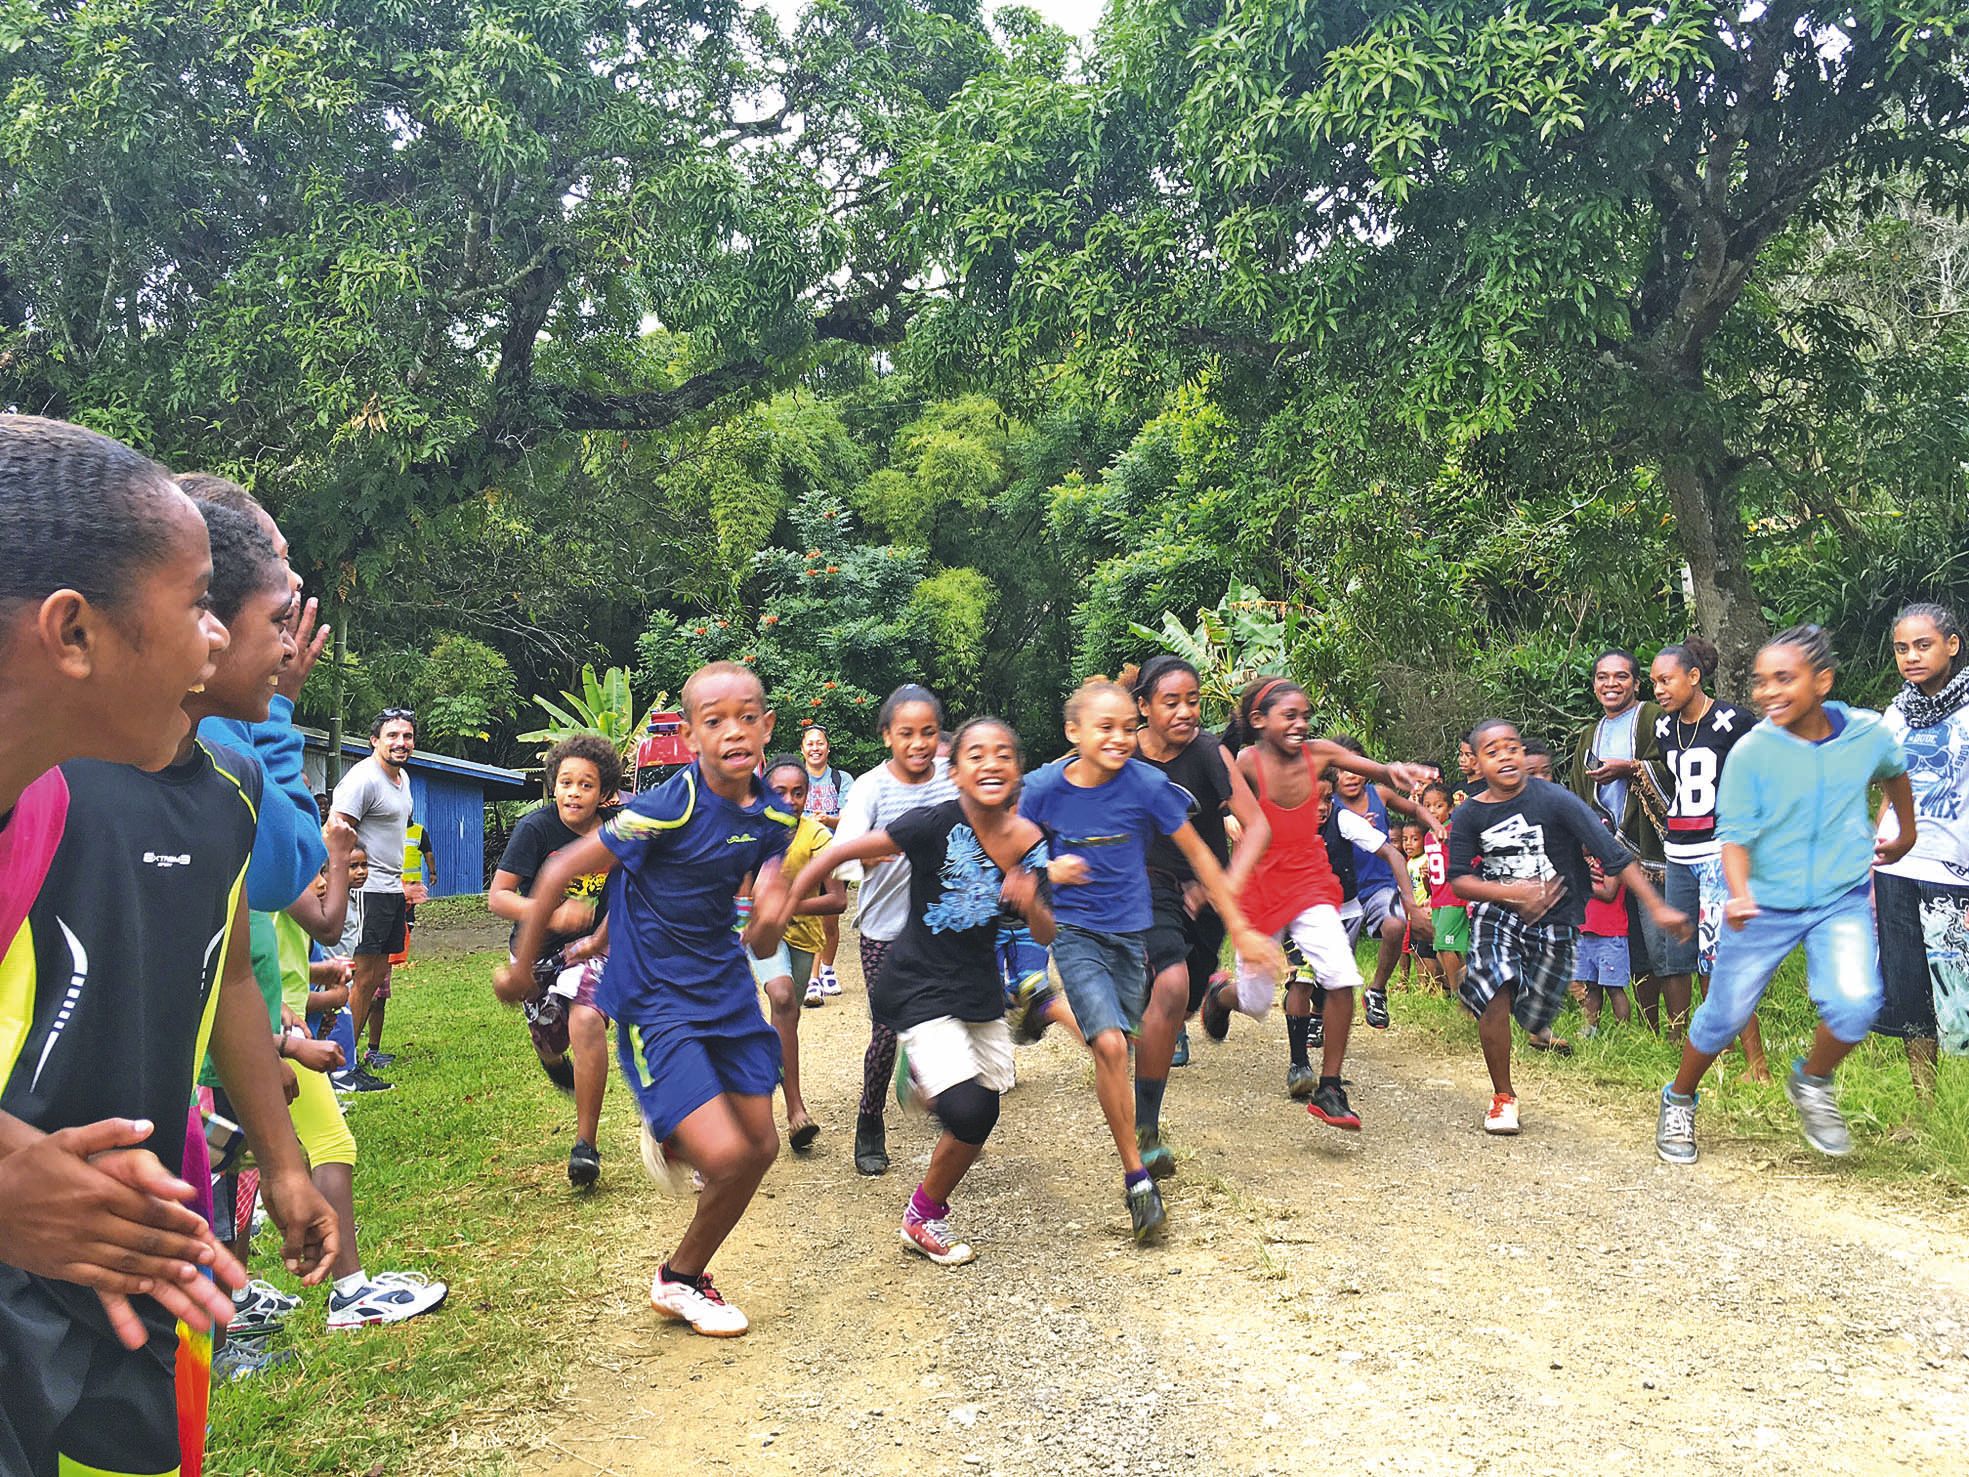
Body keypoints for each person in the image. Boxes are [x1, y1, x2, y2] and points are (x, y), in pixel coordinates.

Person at [1, 499, 338, 1475]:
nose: (288, 649)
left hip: (151, 1216)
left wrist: (279, 1161)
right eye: (274, 619)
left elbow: (229, 966)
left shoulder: (232, 783)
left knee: (149, 1458)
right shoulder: (44, 774)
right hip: (24, 1219)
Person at [0, 416, 244, 1352]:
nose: (213, 642)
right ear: (73, 631)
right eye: (197, 604)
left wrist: (51, 1189)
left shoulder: (34, 812)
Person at [497, 662, 797, 1337]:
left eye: (747, 716)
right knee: (724, 1155)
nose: (733, 731)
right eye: (714, 720)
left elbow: (772, 860)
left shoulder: (773, 807)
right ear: (690, 736)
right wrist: (523, 967)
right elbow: (563, 868)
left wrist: (773, 900)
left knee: (760, 1147)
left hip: (723, 989)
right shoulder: (670, 804)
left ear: (766, 725)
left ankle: (681, 1277)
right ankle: (675, 1129)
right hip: (653, 996)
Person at [777, 718, 1052, 1266]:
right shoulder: (932, 823)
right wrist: (781, 911)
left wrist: (1029, 900)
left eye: (1004, 754)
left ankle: (923, 1212)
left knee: (985, 1111)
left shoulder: (1028, 841)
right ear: (956, 773)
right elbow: (835, 854)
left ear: (1018, 771)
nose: (991, 763)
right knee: (968, 1111)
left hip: (977, 993)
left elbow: (1045, 932)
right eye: (976, 754)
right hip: (917, 984)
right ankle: (929, 1094)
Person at [1022, 679, 1283, 1241]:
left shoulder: (1146, 784)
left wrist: (1240, 926)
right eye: (1104, 728)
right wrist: (1042, 868)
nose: (1118, 739)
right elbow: (1001, 832)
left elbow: (1200, 854)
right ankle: (1137, 1177)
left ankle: (1042, 1010)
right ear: (1075, 733)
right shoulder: (1044, 786)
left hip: (1129, 936)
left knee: (1127, 1038)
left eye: (1124, 729)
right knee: (1112, 1045)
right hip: (1075, 934)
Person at [1656, 626, 1916, 1163]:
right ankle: (1679, 1098)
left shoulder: (1866, 732)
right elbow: (1734, 835)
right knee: (1723, 1015)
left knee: (1855, 1006)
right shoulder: (1752, 751)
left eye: (1783, 679)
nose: (1768, 692)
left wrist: (1905, 832)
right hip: (1764, 904)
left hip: (1839, 898)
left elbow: (1894, 772)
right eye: (1760, 682)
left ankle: (1812, 1081)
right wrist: (1741, 893)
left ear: (1822, 681)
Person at [1197, 680, 1432, 1132]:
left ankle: (1330, 1086)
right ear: (1259, 721)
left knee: (1342, 974)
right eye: (1290, 716)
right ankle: (1220, 995)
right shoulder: (1246, 762)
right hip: (1262, 888)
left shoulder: (1320, 754)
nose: (1301, 724)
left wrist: (1395, 771)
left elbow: (1373, 769)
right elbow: (1215, 805)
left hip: (1308, 880)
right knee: (1256, 999)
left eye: (1305, 715)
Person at [1451, 718, 1688, 1135]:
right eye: (1492, 751)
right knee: (1495, 990)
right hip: (1499, 913)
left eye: (1512, 747)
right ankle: (1503, 1097)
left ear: (1523, 755)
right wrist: (1511, 893)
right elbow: (1459, 880)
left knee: (1534, 1010)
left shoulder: (1555, 799)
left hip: (1557, 918)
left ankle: (1527, 1014)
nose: (1505, 756)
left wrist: (1657, 907)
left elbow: (1612, 854)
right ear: (1476, 763)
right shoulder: (1470, 813)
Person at [1128, 656, 1270, 1139]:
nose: (1186, 712)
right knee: (1167, 988)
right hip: (1146, 887)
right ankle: (1145, 1128)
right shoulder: (1121, 752)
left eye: (1193, 701)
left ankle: (1208, 996)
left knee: (1179, 1000)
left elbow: (1257, 827)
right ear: (1144, 706)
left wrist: (1223, 888)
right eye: (1171, 702)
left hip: (1205, 891)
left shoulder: (1209, 752)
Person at [833, 685, 957, 1175]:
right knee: (886, 1031)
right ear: (887, 736)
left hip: (944, 926)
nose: (919, 743)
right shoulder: (870, 788)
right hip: (884, 929)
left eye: (928, 732)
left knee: (950, 1020)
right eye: (906, 733)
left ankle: (946, 1103)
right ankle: (869, 1118)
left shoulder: (953, 778)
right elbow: (844, 851)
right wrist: (877, 850)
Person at [489, 735, 623, 1186]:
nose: (574, 792)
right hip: (535, 954)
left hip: (594, 949)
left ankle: (586, 1146)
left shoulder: (619, 829)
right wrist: (552, 912)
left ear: (604, 792)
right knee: (551, 1041)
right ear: (553, 785)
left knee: (585, 1020)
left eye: (586, 785)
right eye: (565, 782)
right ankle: (552, 1064)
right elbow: (499, 897)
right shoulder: (536, 829)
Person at [1649, 637, 1766, 1075]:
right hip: (1678, 850)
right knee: (1691, 954)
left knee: (1722, 956)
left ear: (1694, 677)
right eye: (1654, 682)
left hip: (1719, 851)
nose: (1658, 690)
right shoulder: (1664, 728)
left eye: (1666, 680)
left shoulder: (1733, 721)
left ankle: (1757, 1061)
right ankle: (1718, 1048)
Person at [1874, 602, 1969, 1105]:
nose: (1911, 656)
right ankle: (1926, 1104)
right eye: (1901, 648)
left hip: (1956, 873)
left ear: (1952, 645)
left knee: (1960, 992)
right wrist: (1875, 856)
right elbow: (1890, 791)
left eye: (1923, 645)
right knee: (1910, 987)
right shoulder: (1897, 712)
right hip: (1899, 866)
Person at [1566, 649, 1670, 1020]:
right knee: (1628, 941)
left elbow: (1673, 768)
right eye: (1602, 677)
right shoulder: (1589, 735)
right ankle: (1649, 1023)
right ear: (1594, 684)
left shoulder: (1652, 718)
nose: (1611, 684)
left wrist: (1632, 768)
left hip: (1649, 849)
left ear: (1637, 683)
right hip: (1606, 853)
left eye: (1621, 676)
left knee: (1658, 939)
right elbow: (1579, 794)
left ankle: (1677, 1028)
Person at [751, 756, 848, 1147]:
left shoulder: (817, 837)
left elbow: (838, 900)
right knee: (783, 996)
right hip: (759, 934)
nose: (790, 800)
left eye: (799, 792)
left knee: (785, 1020)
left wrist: (788, 905)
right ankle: (793, 1108)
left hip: (805, 936)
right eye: (780, 792)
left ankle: (782, 1098)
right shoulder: (750, 834)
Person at [332, 709, 421, 1087]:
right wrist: (342, 881)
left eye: (407, 736)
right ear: (374, 740)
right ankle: (341, 1068)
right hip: (365, 891)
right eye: (393, 736)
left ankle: (351, 1060)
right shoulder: (363, 779)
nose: (401, 742)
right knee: (361, 977)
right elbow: (336, 830)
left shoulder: (402, 780)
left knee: (374, 978)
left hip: (390, 889)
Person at [1326, 733, 1438, 1033]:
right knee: (1334, 964)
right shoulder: (1327, 803)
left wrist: (1437, 825)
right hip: (1340, 891)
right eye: (1342, 770)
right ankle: (1318, 1013)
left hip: (1379, 885)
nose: (1350, 776)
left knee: (1396, 923)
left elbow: (1414, 810)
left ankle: (1377, 990)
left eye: (1356, 769)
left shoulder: (1380, 794)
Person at [798, 724, 853, 997]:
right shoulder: (796, 780)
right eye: (810, 743)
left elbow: (851, 815)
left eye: (820, 743)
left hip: (835, 856)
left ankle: (828, 969)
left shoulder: (841, 779)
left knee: (830, 921)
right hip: (805, 859)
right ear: (803, 749)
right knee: (811, 918)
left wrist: (827, 820)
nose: (815, 747)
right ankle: (812, 979)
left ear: (828, 748)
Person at [1575, 848, 1632, 1034]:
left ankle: (1623, 1033)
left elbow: (1609, 892)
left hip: (1610, 935)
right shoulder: (1583, 861)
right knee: (1591, 987)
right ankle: (1590, 1031)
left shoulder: (1611, 858)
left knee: (1614, 988)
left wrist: (1580, 881)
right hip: (1586, 932)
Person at [1421, 783, 1468, 998]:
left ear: (1450, 808)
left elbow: (1471, 860)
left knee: (1445, 945)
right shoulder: (1428, 837)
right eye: (1427, 806)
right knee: (1443, 948)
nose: (1432, 811)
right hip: (1438, 899)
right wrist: (1426, 878)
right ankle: (1466, 988)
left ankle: (1460, 994)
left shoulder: (1454, 831)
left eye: (1438, 805)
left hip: (1455, 897)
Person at [1398, 823, 1442, 992]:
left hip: (1425, 914)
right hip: (1411, 915)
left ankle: (1433, 986)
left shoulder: (1426, 860)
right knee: (1416, 951)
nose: (1408, 843)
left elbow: (1432, 886)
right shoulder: (1410, 862)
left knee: (1426, 951)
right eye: (1405, 839)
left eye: (1415, 839)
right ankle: (1423, 985)